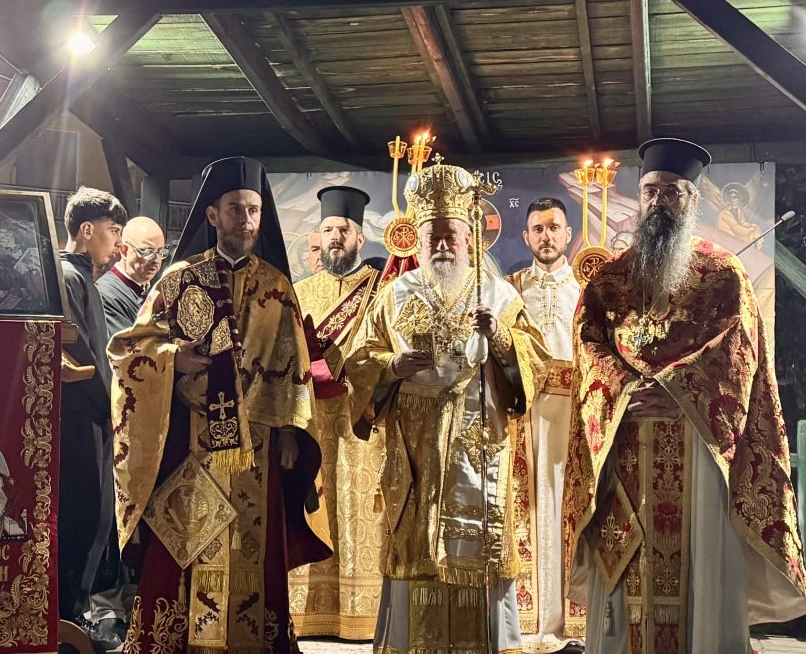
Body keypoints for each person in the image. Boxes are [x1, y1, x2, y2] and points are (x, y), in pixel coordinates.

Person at [563, 138, 806, 653]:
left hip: (697, 441)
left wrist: (675, 392)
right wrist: (624, 390)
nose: (658, 201)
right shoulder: (609, 280)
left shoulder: (723, 274)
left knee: (701, 563)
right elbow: (588, 344)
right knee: (624, 562)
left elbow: (736, 348)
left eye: (671, 192)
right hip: (625, 437)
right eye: (650, 191)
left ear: (692, 201)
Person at [108, 157, 331, 654]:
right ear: (212, 215)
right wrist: (173, 359)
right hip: (191, 440)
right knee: (186, 541)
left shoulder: (277, 286)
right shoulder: (179, 279)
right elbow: (127, 350)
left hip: (258, 444)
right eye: (235, 209)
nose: (245, 220)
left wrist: (291, 432)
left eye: (253, 210)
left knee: (252, 545)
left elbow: (294, 364)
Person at [345, 162, 549, 653]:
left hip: (477, 438)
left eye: (450, 235)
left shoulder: (498, 294)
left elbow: (536, 362)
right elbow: (359, 360)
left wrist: (500, 336)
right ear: (417, 240)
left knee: (478, 544)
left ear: (469, 238)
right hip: (413, 443)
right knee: (413, 542)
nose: (441, 245)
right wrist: (392, 365)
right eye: (431, 236)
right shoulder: (395, 294)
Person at [290, 186, 387, 639]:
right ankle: (310, 613)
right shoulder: (299, 292)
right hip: (312, 419)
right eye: (328, 229)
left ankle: (360, 613)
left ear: (359, 238)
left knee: (359, 509)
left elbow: (383, 349)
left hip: (359, 418)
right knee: (313, 506)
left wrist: (348, 369)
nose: (335, 237)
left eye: (343, 230)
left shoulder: (381, 290)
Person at [505, 197, 585, 654]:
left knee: (567, 509)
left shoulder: (588, 289)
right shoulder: (511, 289)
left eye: (554, 227)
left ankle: (571, 618)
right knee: (527, 510)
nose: (546, 236)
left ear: (568, 234)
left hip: (574, 416)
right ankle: (528, 621)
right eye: (538, 229)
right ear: (526, 237)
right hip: (525, 416)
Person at [58, 187, 127, 649]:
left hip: (94, 415)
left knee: (97, 518)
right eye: (113, 231)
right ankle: (68, 618)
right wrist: (108, 409)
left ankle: (74, 614)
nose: (118, 244)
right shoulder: (68, 276)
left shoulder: (83, 277)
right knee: (83, 515)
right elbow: (77, 351)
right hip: (81, 416)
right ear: (87, 230)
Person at [97, 216, 168, 336]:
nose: (156, 260)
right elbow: (124, 343)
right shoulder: (105, 294)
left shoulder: (153, 289)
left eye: (160, 252)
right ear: (124, 250)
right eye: (147, 252)